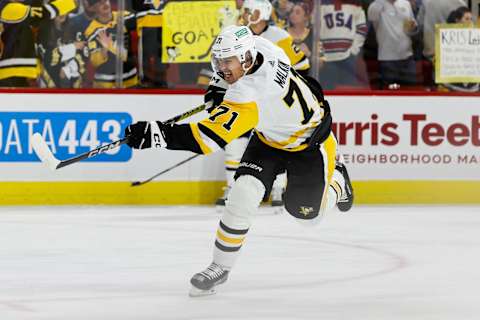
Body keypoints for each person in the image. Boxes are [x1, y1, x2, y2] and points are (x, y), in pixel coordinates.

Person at [124, 25, 354, 296]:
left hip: (310, 143)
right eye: (218, 61)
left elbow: (207, 139)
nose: (222, 68)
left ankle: (338, 180)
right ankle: (219, 267)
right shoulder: (262, 47)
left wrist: (155, 134)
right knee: (243, 192)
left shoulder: (248, 93)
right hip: (269, 138)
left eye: (227, 62)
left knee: (307, 217)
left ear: (245, 58)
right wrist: (216, 88)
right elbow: (233, 78)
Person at [213, 0, 311, 209]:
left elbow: (303, 66)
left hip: (271, 105)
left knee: (275, 141)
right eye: (245, 10)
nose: (247, 13)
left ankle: (278, 187)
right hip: (245, 100)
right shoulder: (236, 34)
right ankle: (232, 187)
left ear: (265, 12)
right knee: (234, 140)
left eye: (252, 10)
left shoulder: (280, 37)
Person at [81, 0, 162, 88]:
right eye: (99, 3)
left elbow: (144, 26)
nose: (104, 4)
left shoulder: (125, 16)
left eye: (105, 0)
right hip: (105, 84)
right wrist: (104, 49)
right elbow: (95, 62)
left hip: (131, 79)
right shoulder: (92, 31)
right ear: (93, 8)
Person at [0, 0, 78, 87]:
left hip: (25, 71)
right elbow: (43, 13)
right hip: (11, 73)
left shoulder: (24, 5)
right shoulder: (6, 7)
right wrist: (69, 2)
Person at [317, 0, 369, 90]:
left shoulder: (355, 4)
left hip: (348, 58)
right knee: (327, 92)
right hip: (327, 59)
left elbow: (362, 28)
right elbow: (315, 31)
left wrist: (353, 51)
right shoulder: (320, 4)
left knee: (349, 91)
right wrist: (321, 54)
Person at [368, 0, 418, 89]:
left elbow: (412, 28)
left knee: (411, 94)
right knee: (389, 96)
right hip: (388, 60)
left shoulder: (405, 3)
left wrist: (413, 28)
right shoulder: (375, 6)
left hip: (408, 57)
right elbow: (372, 22)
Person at [37, 14, 87, 88]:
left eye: (64, 9)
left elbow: (84, 56)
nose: (62, 13)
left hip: (72, 81)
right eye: (58, 10)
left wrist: (67, 70)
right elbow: (46, 58)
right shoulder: (44, 31)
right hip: (49, 81)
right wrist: (72, 47)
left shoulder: (76, 28)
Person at [437, 6, 478, 93]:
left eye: (471, 19)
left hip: (473, 87)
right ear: (457, 20)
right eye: (467, 19)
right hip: (451, 86)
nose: (470, 22)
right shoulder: (446, 38)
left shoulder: (476, 37)